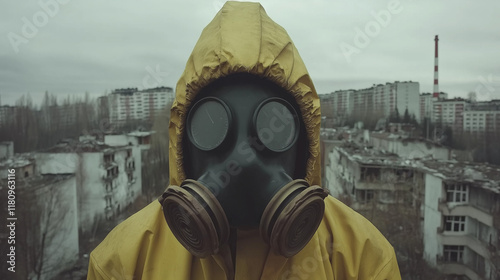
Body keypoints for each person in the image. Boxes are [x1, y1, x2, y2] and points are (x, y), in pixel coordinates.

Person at [87, 2, 401, 279]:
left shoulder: (365, 261)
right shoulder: (122, 264)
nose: (244, 157)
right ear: (182, 143)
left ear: (305, 145)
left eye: (272, 131)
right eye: (213, 130)